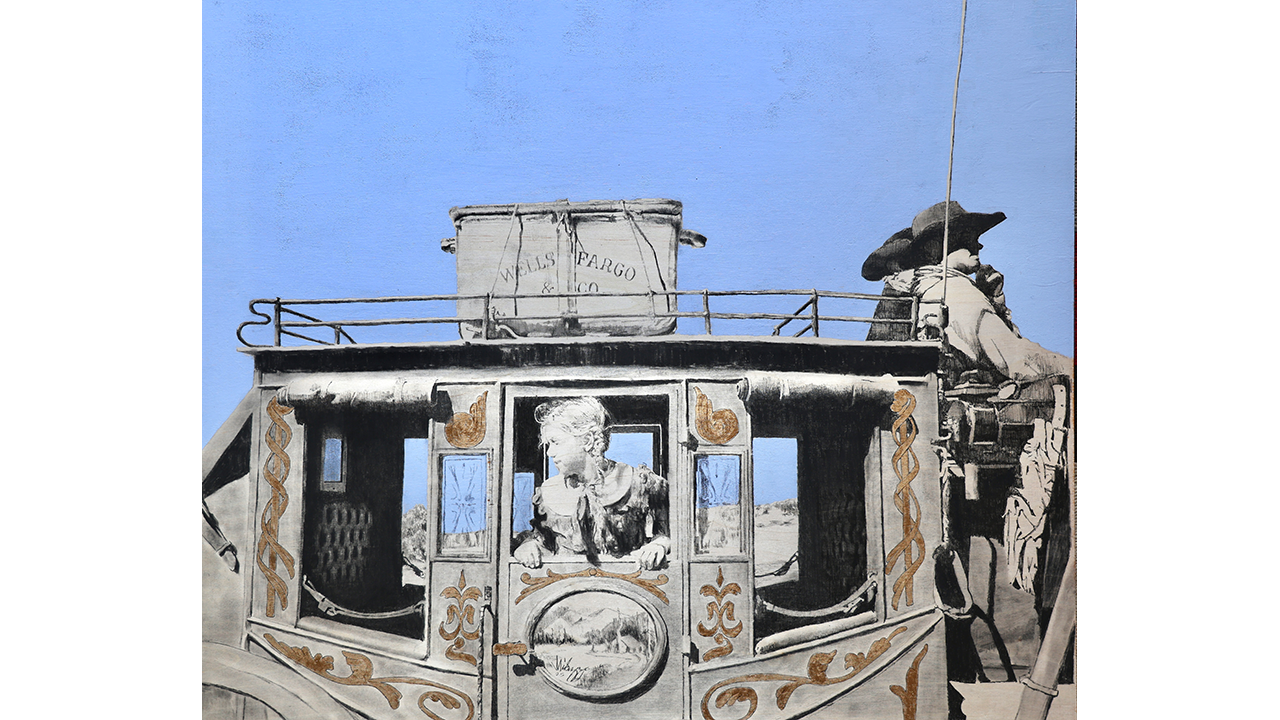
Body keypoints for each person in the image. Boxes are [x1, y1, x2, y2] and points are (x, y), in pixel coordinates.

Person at [862, 201, 1072, 384]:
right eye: (965, 238)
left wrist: (995, 302)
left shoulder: (925, 288)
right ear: (938, 247)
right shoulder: (956, 291)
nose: (978, 244)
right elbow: (1018, 359)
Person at [514, 397, 670, 569]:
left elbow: (670, 534)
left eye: (556, 442)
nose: (550, 452)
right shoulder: (547, 492)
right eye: (548, 444)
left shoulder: (639, 482)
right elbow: (542, 541)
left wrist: (659, 544)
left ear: (588, 440)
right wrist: (528, 546)